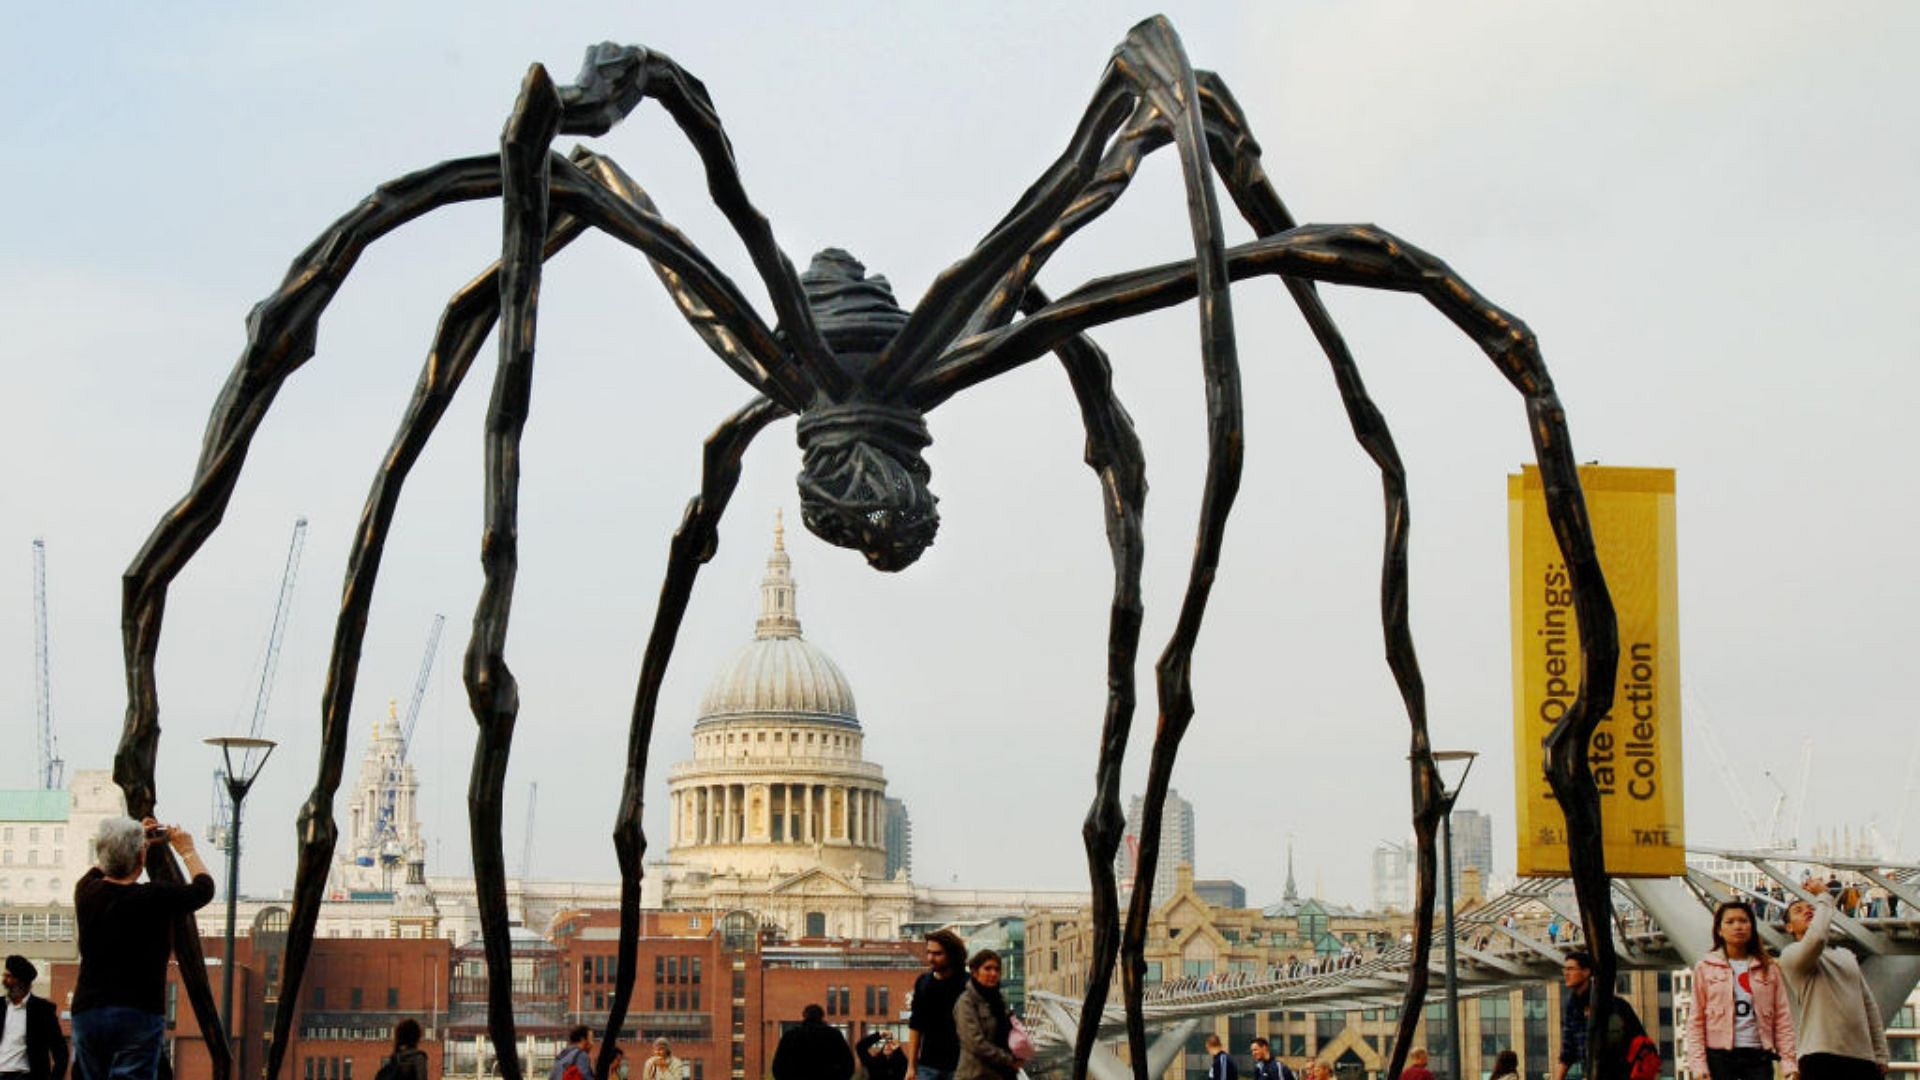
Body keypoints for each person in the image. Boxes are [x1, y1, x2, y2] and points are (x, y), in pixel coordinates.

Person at [70, 816, 215, 1080]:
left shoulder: (86, 893)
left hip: (88, 1011)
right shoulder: (154, 897)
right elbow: (203, 889)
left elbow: (100, 867)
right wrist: (187, 851)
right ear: (140, 859)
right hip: (138, 1009)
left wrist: (129, 842)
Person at [1780, 883, 1889, 1080]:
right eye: (1798, 910)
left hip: (1862, 1057)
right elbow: (1817, 938)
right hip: (1819, 1055)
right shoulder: (1791, 955)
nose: (1807, 911)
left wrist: (1880, 1053)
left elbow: (1868, 1005)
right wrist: (1823, 896)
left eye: (1811, 908)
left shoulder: (1847, 955)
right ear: (1789, 927)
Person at [1683, 900, 1797, 1080]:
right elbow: (1696, 1020)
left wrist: (1789, 1065)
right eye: (1730, 922)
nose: (1738, 926)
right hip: (1719, 1058)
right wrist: (1698, 1066)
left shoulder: (1769, 968)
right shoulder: (1705, 967)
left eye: (1744, 921)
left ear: (1752, 927)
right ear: (1719, 930)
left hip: (1758, 1057)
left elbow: (1782, 1018)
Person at [1554, 951, 1650, 1080]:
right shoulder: (1572, 1008)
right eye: (1564, 969)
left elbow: (1635, 1044)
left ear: (1586, 972)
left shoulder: (1614, 1005)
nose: (1566, 973)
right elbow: (1568, 1051)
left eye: (1571, 969)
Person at [907, 930, 969, 1080]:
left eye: (937, 954)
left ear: (952, 954)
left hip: (961, 1066)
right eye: (928, 952)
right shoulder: (923, 983)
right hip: (928, 1067)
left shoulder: (968, 984)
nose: (930, 958)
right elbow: (916, 1026)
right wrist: (911, 1067)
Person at [953, 951, 1020, 1080]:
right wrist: (1008, 1060)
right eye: (987, 968)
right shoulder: (966, 1002)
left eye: (997, 969)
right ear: (974, 972)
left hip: (1002, 1074)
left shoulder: (1000, 1000)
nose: (993, 973)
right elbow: (976, 1043)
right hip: (975, 1075)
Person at [2, 955, 69, 1080]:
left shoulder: (43, 1010)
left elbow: (60, 1051)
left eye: (9, 977)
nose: (4, 980)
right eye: (4, 976)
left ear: (22, 982)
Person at [771, 1004, 853, 1080]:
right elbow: (847, 1063)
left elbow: (778, 1066)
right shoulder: (834, 1035)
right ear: (822, 1016)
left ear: (804, 1015)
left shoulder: (791, 1035)